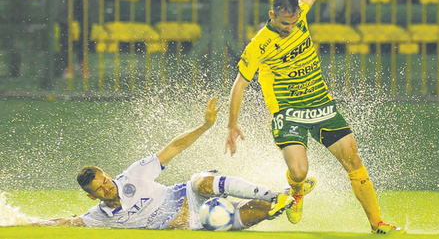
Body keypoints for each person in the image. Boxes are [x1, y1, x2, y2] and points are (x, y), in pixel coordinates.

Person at [225, 0, 405, 234]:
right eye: (285, 24)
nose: (290, 28)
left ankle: (377, 224)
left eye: (294, 23)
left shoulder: (300, 14)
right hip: (287, 110)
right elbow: (239, 84)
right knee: (299, 172)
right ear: (272, 16)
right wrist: (232, 124)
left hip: (320, 104)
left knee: (354, 161)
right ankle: (296, 191)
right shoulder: (259, 45)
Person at [31, 98, 304, 230]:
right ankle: (286, 203)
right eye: (101, 189)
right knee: (248, 214)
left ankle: (276, 193)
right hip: (194, 222)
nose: (108, 187)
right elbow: (69, 222)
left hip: (187, 194)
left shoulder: (133, 175)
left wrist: (206, 125)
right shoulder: (101, 217)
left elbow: (174, 147)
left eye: (106, 180)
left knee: (200, 180)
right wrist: (27, 222)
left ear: (107, 174)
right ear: (92, 196)